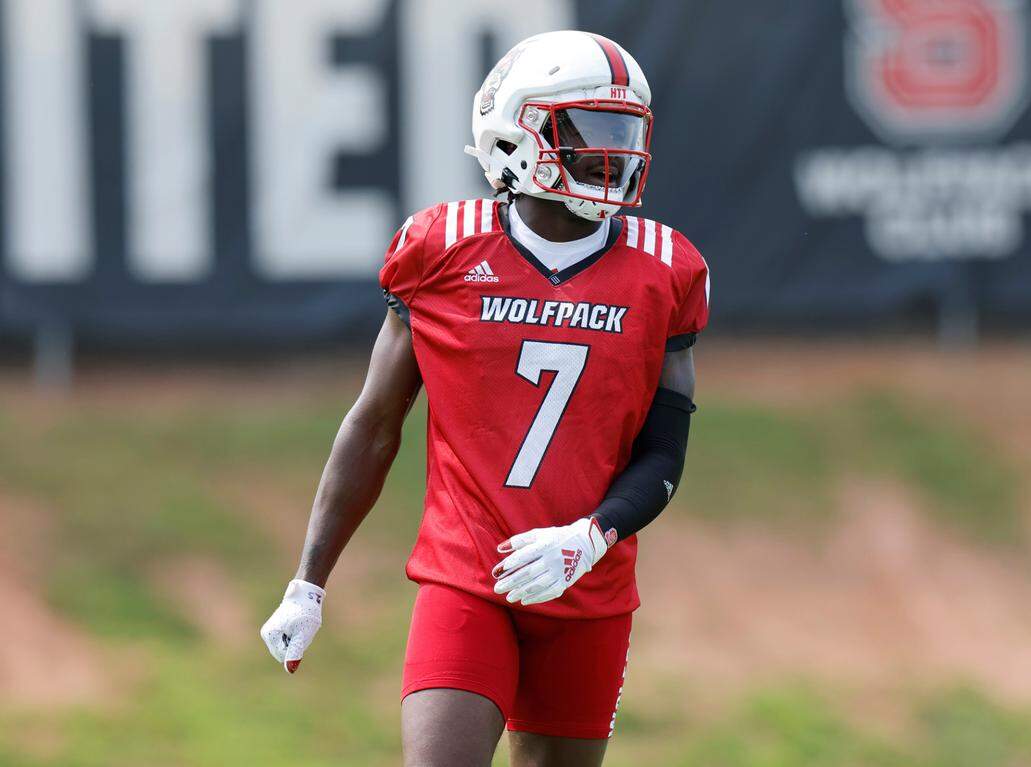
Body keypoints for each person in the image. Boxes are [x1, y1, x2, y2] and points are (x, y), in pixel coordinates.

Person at [260, 29, 710, 767]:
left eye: (625, 131)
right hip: (466, 578)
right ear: (518, 134)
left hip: (589, 589)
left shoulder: (667, 269)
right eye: (592, 130)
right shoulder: (442, 249)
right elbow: (375, 422)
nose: (616, 153)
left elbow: (666, 450)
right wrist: (309, 580)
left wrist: (591, 535)